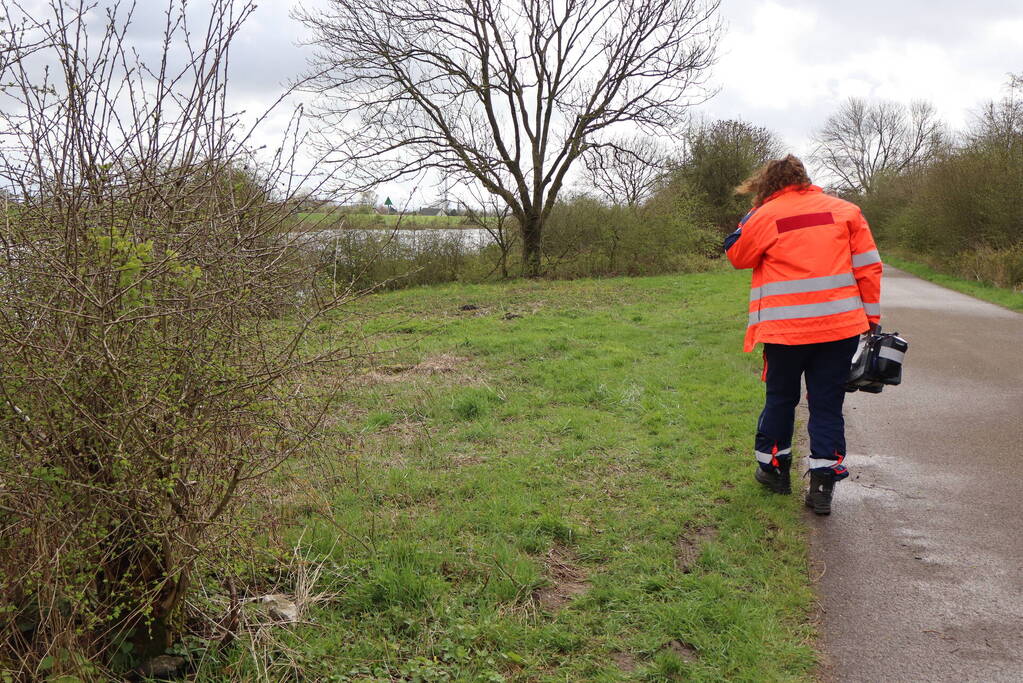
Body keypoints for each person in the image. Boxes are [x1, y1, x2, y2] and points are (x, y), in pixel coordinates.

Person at [723, 155, 882, 515]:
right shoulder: (846, 212)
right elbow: (869, 268)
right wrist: (870, 318)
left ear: (767, 185)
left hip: (785, 330)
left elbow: (737, 254)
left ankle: (775, 473)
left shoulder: (765, 215)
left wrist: (750, 216)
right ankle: (822, 485)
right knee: (827, 403)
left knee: (781, 398)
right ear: (804, 179)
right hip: (839, 328)